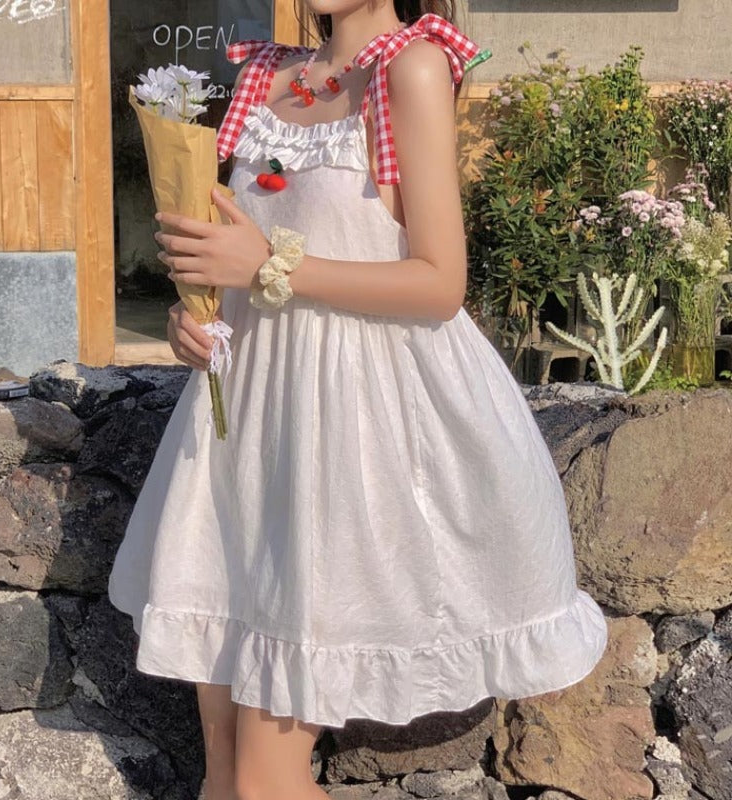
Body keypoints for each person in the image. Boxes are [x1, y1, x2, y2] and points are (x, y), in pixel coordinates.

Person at [107, 2, 609, 799]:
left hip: (351, 435)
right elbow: (236, 254)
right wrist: (190, 321)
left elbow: (440, 283)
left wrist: (267, 265)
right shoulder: (265, 74)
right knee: (226, 775)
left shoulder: (411, 67)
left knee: (265, 782)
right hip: (244, 439)